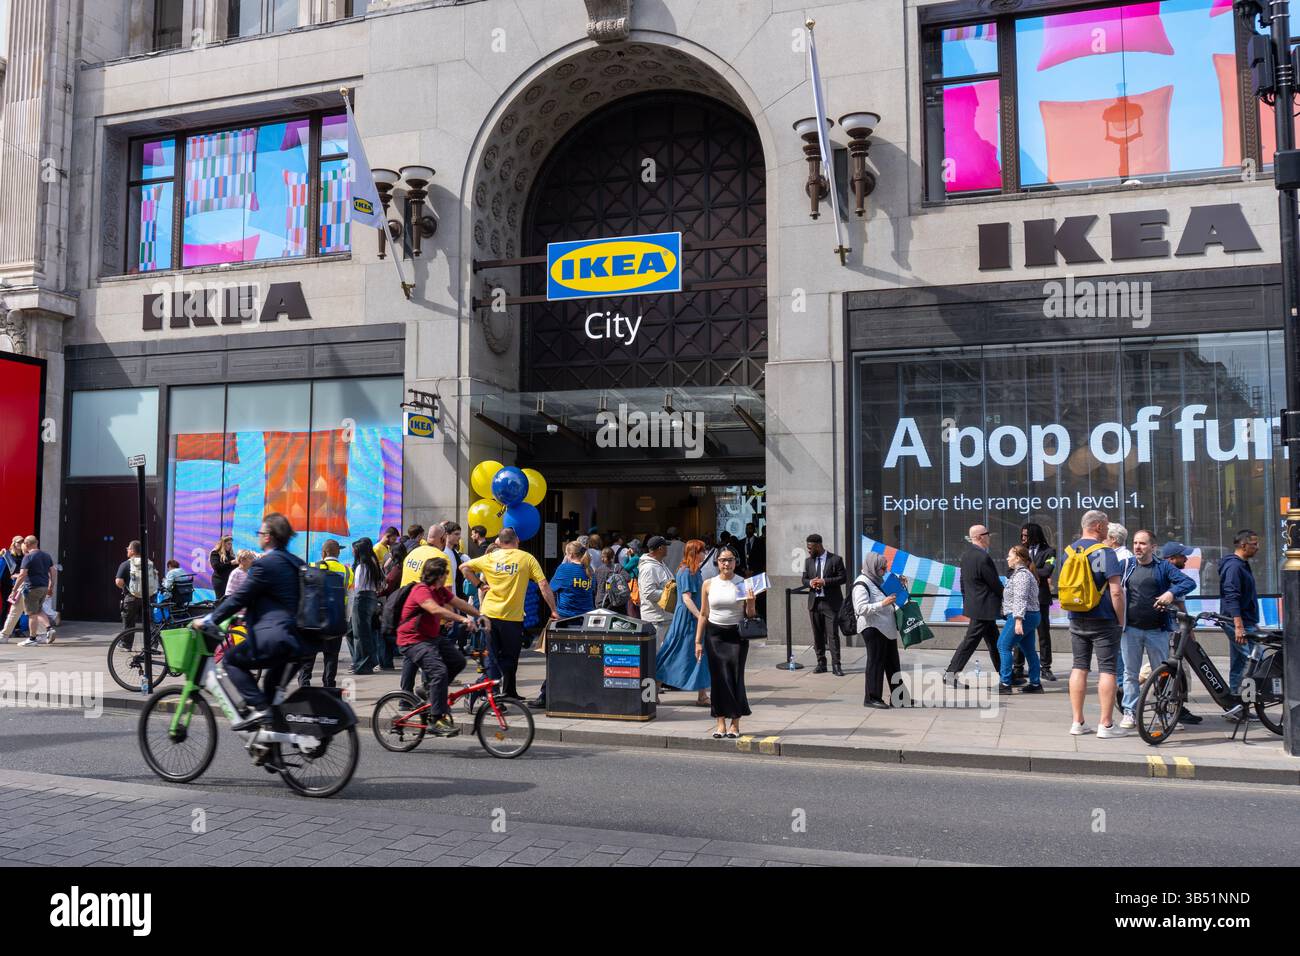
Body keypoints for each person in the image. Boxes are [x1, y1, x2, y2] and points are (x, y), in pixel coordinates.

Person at [201, 513, 305, 730]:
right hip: (300, 641)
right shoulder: (296, 563)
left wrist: (210, 618)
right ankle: (272, 748)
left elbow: (239, 598)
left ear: (268, 537)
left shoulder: (265, 565)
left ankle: (262, 712)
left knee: (231, 660)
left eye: (260, 533)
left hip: (277, 636)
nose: (259, 536)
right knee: (269, 689)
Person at [461, 527, 559, 701]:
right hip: (511, 618)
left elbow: (464, 567)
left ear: (499, 541)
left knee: (495, 657)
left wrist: (478, 584)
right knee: (508, 658)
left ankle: (507, 691)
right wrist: (553, 609)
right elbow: (543, 585)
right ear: (517, 540)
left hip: (489, 614)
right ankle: (492, 695)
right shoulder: (526, 558)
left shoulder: (490, 557)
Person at [1117, 530, 1196, 728]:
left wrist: (1171, 593)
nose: (1137, 547)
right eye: (1135, 543)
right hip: (1131, 629)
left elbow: (1188, 583)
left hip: (1157, 630)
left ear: (1153, 547)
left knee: (1163, 673)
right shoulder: (1126, 565)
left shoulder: (1163, 567)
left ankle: (1164, 712)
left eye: (1142, 543)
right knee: (1130, 673)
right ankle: (1130, 711)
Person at [396, 557, 477, 735]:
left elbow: (458, 602)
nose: (446, 577)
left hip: (431, 638)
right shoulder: (421, 590)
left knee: (458, 661)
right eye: (444, 574)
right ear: (435, 575)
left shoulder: (440, 591)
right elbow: (435, 609)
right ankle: (436, 719)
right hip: (412, 640)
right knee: (439, 672)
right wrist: (463, 619)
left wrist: (480, 615)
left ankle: (429, 690)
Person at [1066, 510, 1126, 738]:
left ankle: (1077, 722)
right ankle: (1106, 724)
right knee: (1108, 670)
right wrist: (1120, 619)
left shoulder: (1068, 551)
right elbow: (1116, 592)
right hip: (1103, 618)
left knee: (1079, 666)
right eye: (1107, 525)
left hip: (1076, 616)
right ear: (1099, 526)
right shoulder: (1106, 553)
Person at [696, 546, 754, 738]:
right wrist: (698, 642)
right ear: (717, 563)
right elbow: (703, 614)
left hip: (736, 636)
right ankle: (720, 723)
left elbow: (750, 615)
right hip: (714, 635)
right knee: (718, 679)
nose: (726, 563)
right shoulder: (708, 584)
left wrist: (752, 602)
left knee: (735, 678)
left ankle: (735, 723)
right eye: (722, 560)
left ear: (735, 562)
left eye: (729, 560)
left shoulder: (742, 583)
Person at [942, 525, 1003, 686]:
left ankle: (1005, 675)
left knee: (995, 643)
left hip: (978, 606)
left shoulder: (967, 555)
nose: (990, 537)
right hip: (984, 608)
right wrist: (1006, 597)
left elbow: (963, 583)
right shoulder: (982, 557)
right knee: (970, 642)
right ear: (980, 537)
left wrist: (968, 601)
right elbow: (994, 583)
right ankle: (950, 674)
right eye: (987, 534)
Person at [655, 539, 711, 707]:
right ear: (695, 552)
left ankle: (702, 695)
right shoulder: (685, 572)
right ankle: (654, 689)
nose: (705, 553)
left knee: (697, 652)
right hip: (687, 619)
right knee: (674, 651)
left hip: (692, 618)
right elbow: (686, 598)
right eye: (702, 550)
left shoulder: (695, 571)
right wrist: (700, 615)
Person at [1157, 540, 1203, 725]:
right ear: (1172, 558)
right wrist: (1188, 628)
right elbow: (1180, 604)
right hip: (1172, 629)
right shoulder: (1171, 575)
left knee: (1167, 666)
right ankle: (1176, 709)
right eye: (1183, 556)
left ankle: (1130, 685)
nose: (1186, 559)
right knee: (1179, 669)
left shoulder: (1167, 573)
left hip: (1169, 628)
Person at [298, 539, 353, 688]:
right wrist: (345, 620)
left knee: (308, 657)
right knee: (331, 657)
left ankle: (304, 686)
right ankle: (329, 688)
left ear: (323, 553)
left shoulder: (311, 567)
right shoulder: (347, 571)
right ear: (338, 553)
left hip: (313, 621)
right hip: (335, 620)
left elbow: (303, 594)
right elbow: (350, 598)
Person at [852, 552, 901, 708]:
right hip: (873, 628)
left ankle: (899, 698)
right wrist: (883, 603)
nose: (885, 571)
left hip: (886, 628)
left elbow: (892, 598)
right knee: (876, 662)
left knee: (893, 663)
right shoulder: (861, 583)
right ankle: (872, 697)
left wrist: (901, 587)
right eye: (882, 568)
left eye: (885, 567)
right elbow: (860, 608)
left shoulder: (876, 581)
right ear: (873, 567)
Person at [1219, 529, 1261, 701]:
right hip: (1237, 622)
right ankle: (1240, 702)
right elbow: (1232, 595)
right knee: (1252, 661)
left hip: (1244, 621)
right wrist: (1239, 626)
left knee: (1240, 662)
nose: (1257, 547)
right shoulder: (1234, 566)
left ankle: (1236, 702)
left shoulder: (1241, 564)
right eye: (1254, 544)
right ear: (1244, 545)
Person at [1013, 523, 1057, 682]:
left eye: (1026, 535)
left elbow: (1047, 571)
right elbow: (1010, 570)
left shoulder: (1049, 551)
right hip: (1022, 599)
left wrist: (1025, 569)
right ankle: (1018, 667)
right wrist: (1034, 570)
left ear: (1034, 535)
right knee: (1019, 632)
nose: (1023, 538)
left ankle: (1045, 668)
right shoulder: (1018, 550)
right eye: (1022, 535)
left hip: (1041, 599)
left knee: (1043, 633)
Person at [997, 546, 1043, 695]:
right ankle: (1035, 683)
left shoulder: (1022, 575)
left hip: (1023, 616)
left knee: (1003, 645)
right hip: (1029, 616)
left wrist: (1018, 620)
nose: (1007, 558)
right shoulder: (1021, 574)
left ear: (1017, 558)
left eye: (1009, 556)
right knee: (1029, 649)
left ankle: (1005, 683)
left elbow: (1020, 599)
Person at [802, 533, 847, 676]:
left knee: (832, 635)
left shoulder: (836, 559)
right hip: (814, 603)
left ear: (818, 546)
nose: (808, 550)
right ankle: (821, 663)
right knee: (817, 635)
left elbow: (843, 578)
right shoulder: (808, 561)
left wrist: (824, 581)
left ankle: (836, 665)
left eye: (810, 548)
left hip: (830, 603)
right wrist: (810, 582)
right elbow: (804, 579)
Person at [348, 537, 383, 676]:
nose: (352, 552)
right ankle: (364, 660)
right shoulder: (373, 564)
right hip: (371, 598)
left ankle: (362, 663)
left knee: (359, 634)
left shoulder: (362, 566)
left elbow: (357, 587)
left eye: (354, 550)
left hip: (361, 599)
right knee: (360, 632)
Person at [13, 535, 56, 646]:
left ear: (27, 544)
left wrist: (14, 589)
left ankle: (32, 639)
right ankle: (49, 629)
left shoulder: (28, 557)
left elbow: (22, 574)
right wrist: (51, 586)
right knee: (38, 610)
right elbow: (53, 571)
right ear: (36, 543)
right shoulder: (46, 555)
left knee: (31, 614)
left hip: (32, 588)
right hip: (44, 587)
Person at [636, 535, 675, 650]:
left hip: (664, 618)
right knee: (656, 655)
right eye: (665, 546)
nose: (667, 549)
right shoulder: (649, 568)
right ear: (660, 549)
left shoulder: (660, 563)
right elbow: (648, 592)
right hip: (656, 620)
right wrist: (669, 593)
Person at [113, 540, 153, 640]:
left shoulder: (126, 564)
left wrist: (126, 587)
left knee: (129, 623)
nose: (127, 550)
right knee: (148, 623)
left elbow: (118, 581)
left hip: (131, 598)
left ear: (132, 551)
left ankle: (126, 644)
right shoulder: (149, 563)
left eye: (128, 548)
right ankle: (152, 644)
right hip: (147, 598)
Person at [0, 537, 29, 643]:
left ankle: (16, 629)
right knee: (6, 605)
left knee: (18, 608)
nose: (21, 544)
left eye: (22, 542)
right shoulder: (7, 554)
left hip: (18, 583)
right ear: (14, 543)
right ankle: (3, 627)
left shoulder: (24, 555)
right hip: (7, 583)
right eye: (19, 542)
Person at [209, 536, 236, 600]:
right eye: (228, 544)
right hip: (219, 580)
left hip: (229, 581)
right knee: (221, 601)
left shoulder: (230, 554)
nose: (230, 546)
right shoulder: (215, 553)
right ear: (223, 544)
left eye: (231, 544)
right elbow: (216, 567)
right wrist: (231, 563)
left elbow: (233, 568)